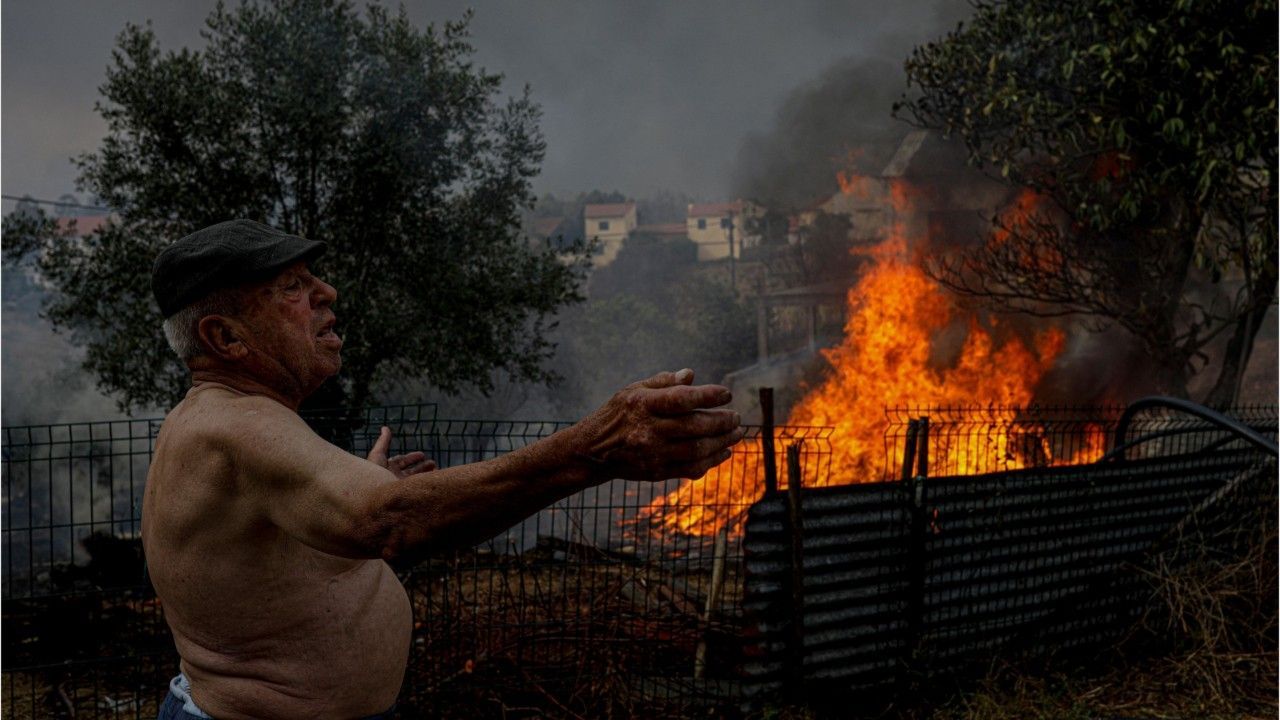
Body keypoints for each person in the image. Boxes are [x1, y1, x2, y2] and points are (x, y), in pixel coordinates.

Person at [141, 219, 744, 720]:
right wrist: (595, 447)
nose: (328, 293)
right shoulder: (237, 425)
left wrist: (369, 497)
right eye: (293, 287)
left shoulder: (229, 424)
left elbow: (314, 553)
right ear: (226, 337)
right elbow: (389, 523)